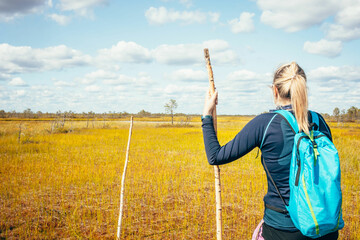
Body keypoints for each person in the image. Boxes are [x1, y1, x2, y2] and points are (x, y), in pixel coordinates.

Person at [201, 62, 339, 240]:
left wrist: (206, 114)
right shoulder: (319, 121)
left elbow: (216, 156)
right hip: (324, 225)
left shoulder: (265, 123)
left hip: (282, 229)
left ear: (275, 90)